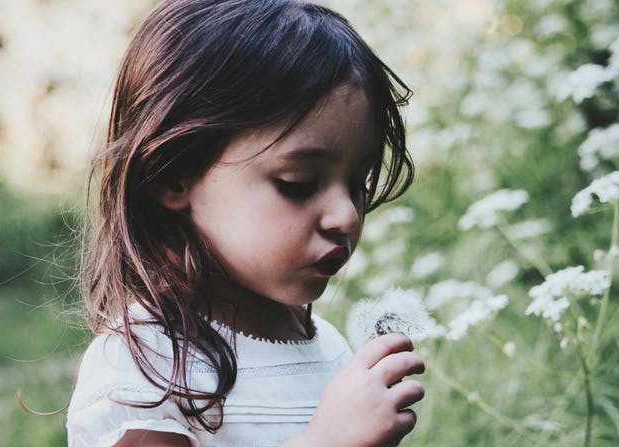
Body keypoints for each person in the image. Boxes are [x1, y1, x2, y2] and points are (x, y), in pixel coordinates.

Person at [66, 1, 424, 445]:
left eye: (358, 182)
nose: (347, 216)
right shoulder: (146, 367)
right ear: (173, 175)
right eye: (299, 183)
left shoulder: (327, 346)